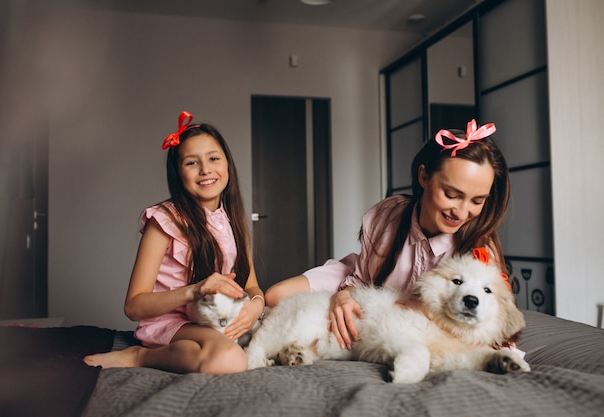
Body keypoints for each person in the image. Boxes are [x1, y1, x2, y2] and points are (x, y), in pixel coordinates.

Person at [265, 119, 510, 351]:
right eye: (451, 194)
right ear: (424, 176)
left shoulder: (480, 248)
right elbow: (361, 281)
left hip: (386, 305)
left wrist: (428, 311)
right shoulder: (388, 214)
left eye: (477, 201)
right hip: (362, 279)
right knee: (275, 296)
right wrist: (342, 297)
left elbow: (494, 325)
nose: (461, 211)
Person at [84, 111, 264, 374]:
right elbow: (134, 306)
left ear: (227, 163)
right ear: (177, 173)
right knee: (230, 360)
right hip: (173, 322)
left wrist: (255, 307)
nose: (206, 170)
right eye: (192, 163)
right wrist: (194, 290)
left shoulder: (233, 221)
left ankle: (195, 350)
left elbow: (252, 285)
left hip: (212, 322)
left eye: (214, 158)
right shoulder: (164, 221)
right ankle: (140, 357)